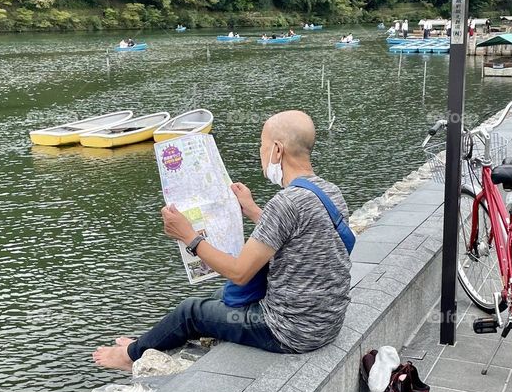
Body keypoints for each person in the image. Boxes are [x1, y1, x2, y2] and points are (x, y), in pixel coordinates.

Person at [92, 111, 352, 369]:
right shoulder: (330, 191)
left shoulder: (285, 203)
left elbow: (239, 273)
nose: (260, 153)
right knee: (219, 297)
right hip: (326, 322)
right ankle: (147, 343)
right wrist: (251, 209)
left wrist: (189, 236)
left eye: (261, 146)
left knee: (191, 312)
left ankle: (129, 356)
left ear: (277, 150)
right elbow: (300, 235)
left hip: (291, 331)